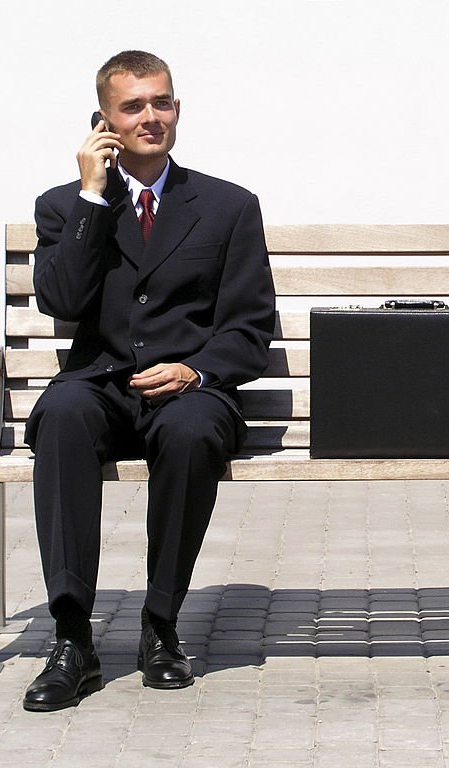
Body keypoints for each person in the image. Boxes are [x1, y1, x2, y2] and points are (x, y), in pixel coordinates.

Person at [22, 50, 275, 712]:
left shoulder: (227, 206)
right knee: (61, 414)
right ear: (103, 120)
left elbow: (249, 328)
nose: (150, 117)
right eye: (133, 106)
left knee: (193, 433)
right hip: (103, 382)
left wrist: (198, 370)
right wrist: (90, 196)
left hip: (189, 389)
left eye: (161, 102)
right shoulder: (66, 206)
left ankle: (161, 627)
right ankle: (73, 640)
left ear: (178, 110)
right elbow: (63, 300)